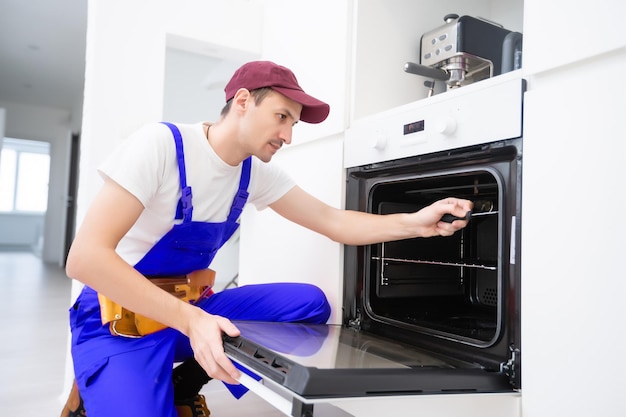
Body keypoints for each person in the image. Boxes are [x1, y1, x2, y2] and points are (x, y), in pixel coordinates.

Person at [60, 61, 472, 417]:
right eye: (282, 117)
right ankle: (94, 390)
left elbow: (332, 220)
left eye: (293, 123)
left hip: (185, 311)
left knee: (308, 304)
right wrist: (193, 320)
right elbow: (85, 259)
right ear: (242, 101)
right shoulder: (162, 145)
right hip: (114, 321)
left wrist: (417, 223)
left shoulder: (253, 172)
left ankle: (184, 383)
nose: (288, 135)